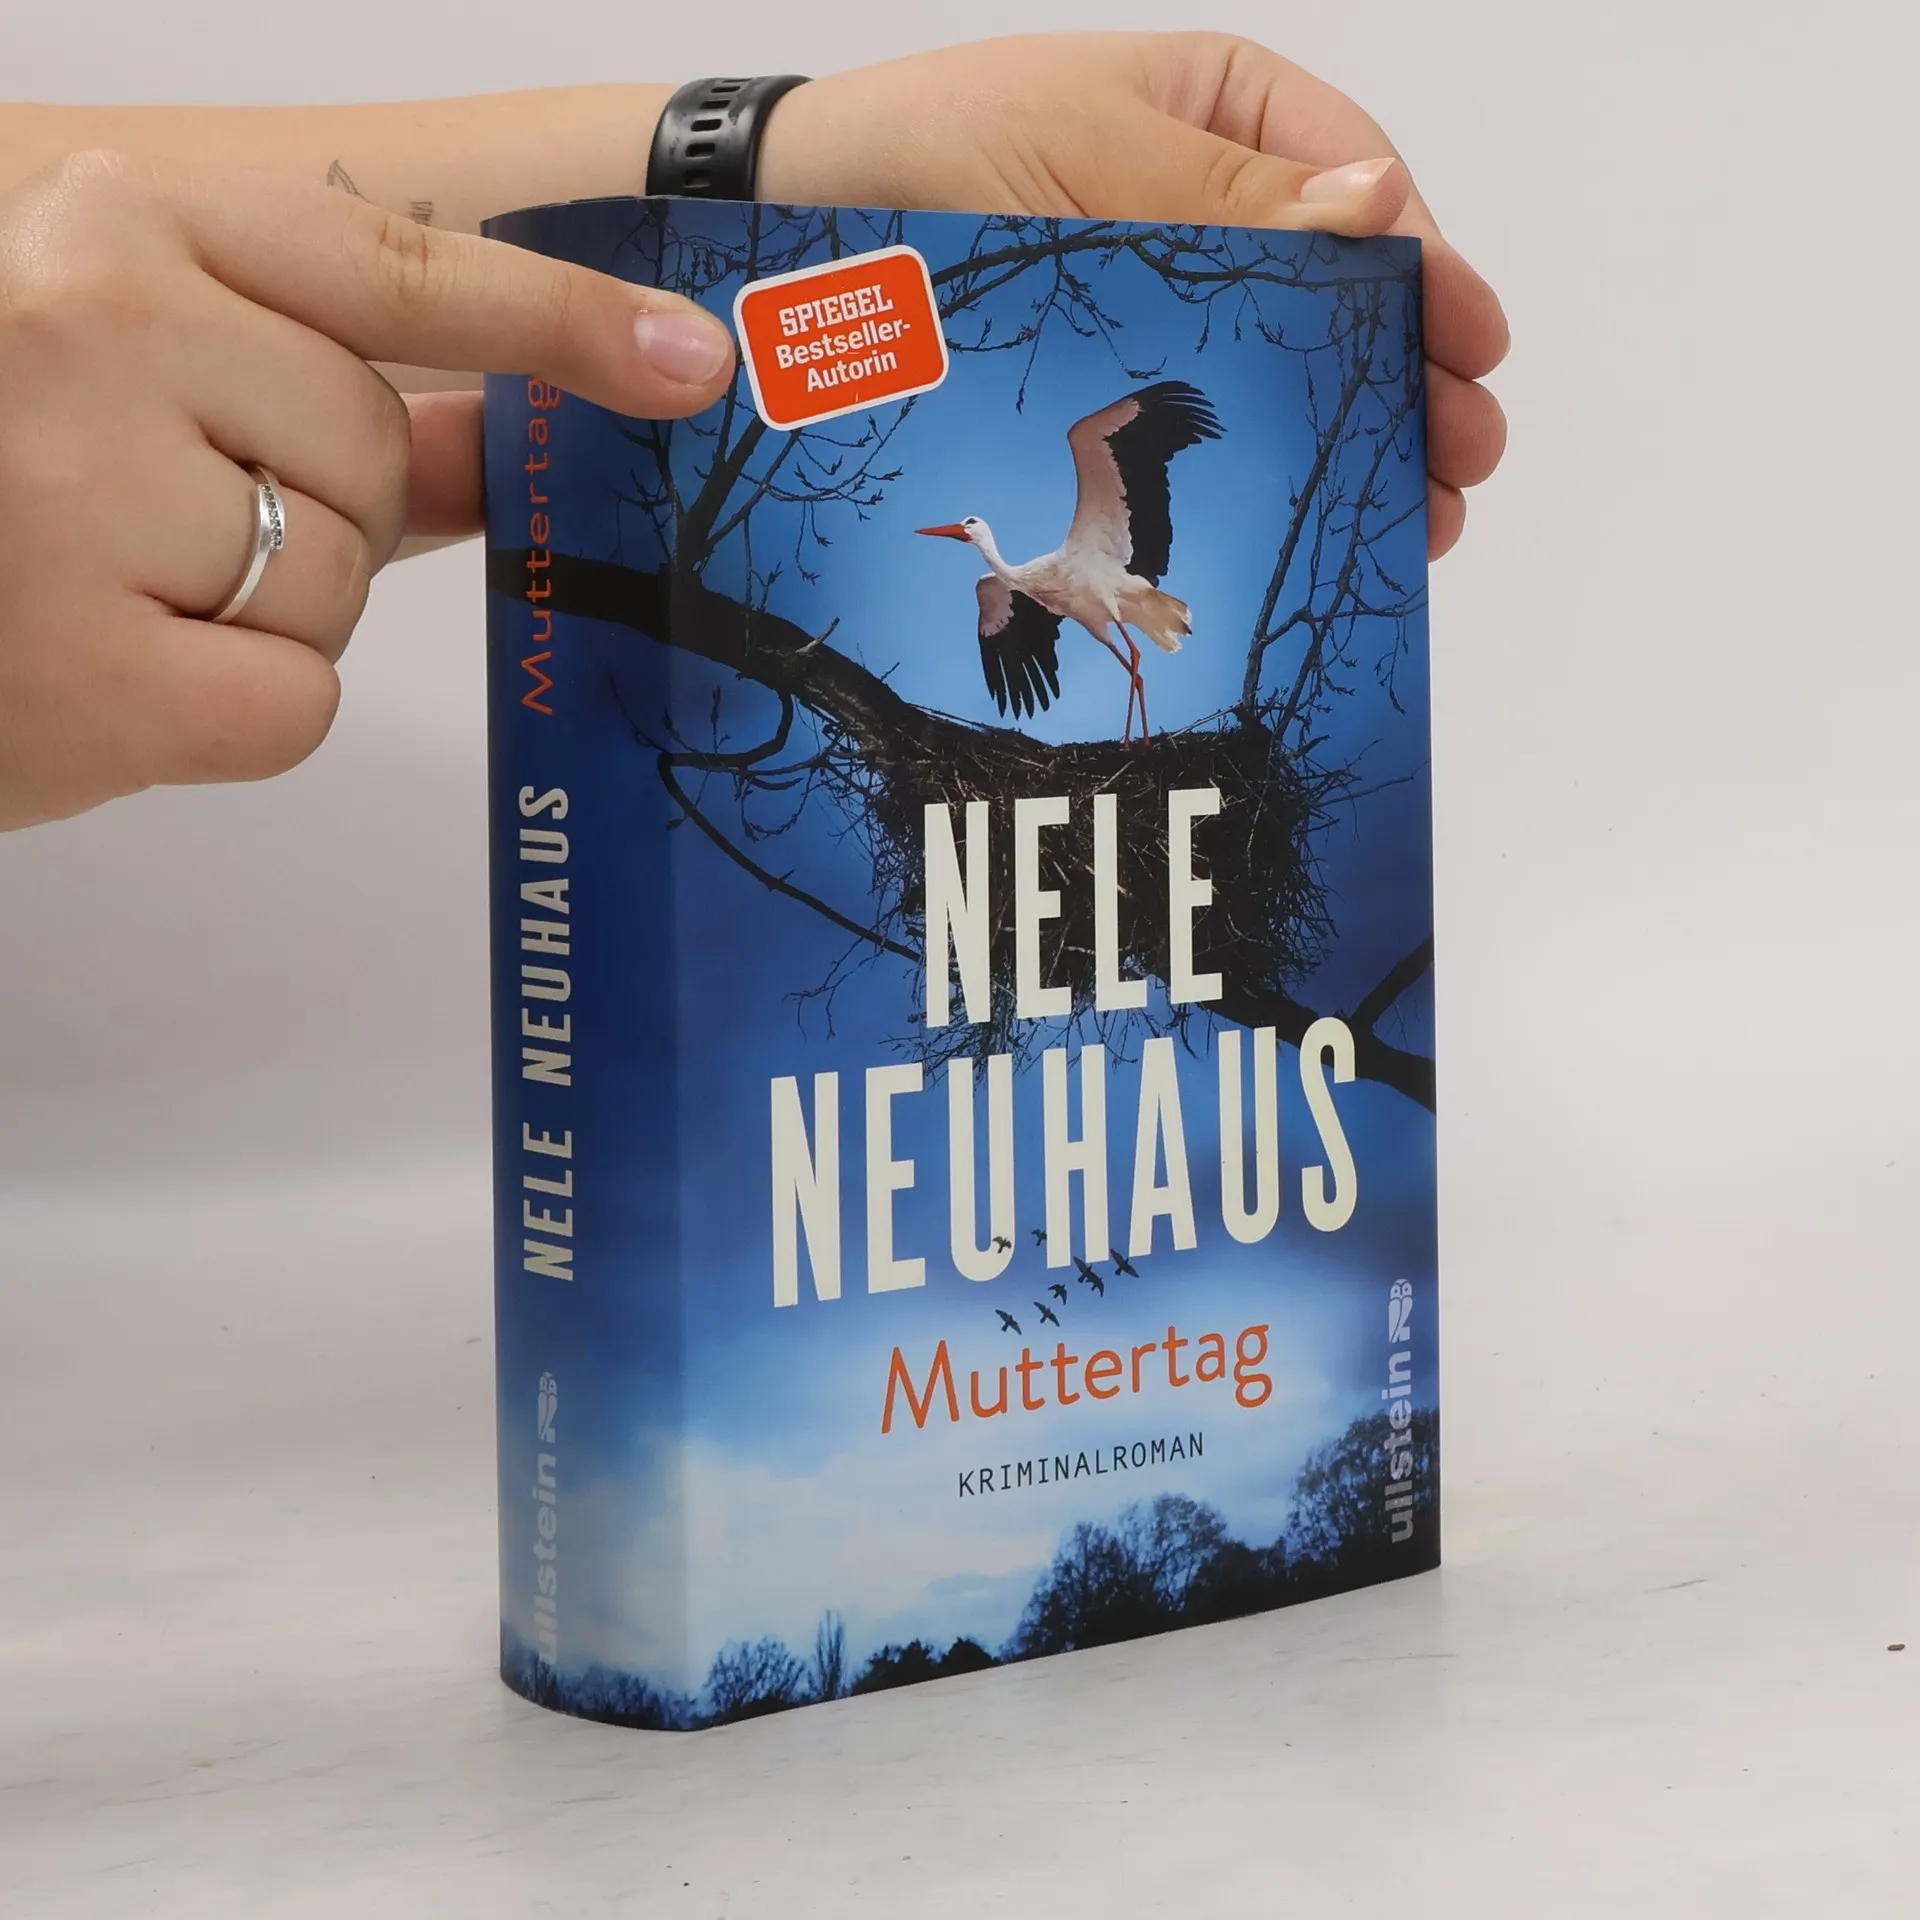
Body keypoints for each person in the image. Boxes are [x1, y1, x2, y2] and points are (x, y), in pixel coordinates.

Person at [0, 33, 1507, 833]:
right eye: (972, 547)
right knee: (1032, 628)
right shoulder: (1014, 585)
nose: (975, 558)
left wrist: (795, 166)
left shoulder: (1075, 533)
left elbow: (77, 213)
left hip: (1130, 596)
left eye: (971, 543)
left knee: (1105, 635)